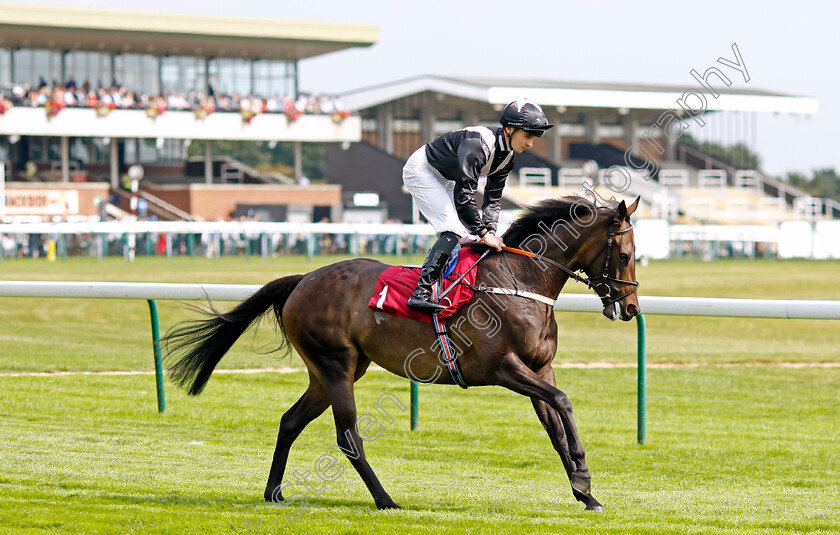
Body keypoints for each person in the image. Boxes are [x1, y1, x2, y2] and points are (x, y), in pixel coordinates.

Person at [402, 99, 554, 312]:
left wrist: (490, 231)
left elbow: (493, 198)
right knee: (452, 230)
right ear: (509, 129)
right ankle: (421, 291)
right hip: (423, 170)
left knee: (469, 238)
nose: (530, 144)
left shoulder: (508, 156)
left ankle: (457, 286)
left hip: (448, 178)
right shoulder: (478, 144)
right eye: (528, 136)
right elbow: (465, 196)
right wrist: (483, 232)